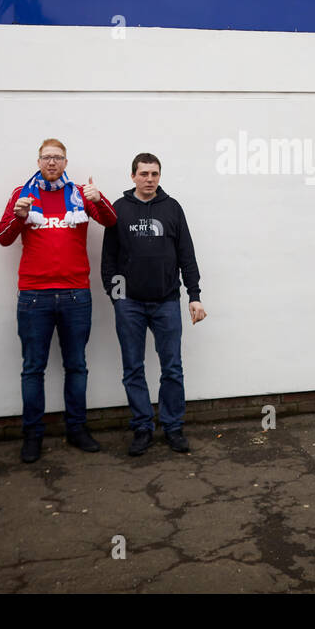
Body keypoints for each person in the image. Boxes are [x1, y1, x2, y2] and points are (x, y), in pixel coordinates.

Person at [0, 139, 116, 463]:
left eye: (57, 157)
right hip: (34, 296)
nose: (51, 162)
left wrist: (99, 198)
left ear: (65, 161)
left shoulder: (79, 192)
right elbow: (2, 237)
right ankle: (32, 436)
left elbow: (110, 220)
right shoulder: (23, 194)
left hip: (76, 294)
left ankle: (76, 429)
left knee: (76, 366)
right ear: (38, 160)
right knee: (32, 369)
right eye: (46, 157)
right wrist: (20, 216)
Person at [101, 153, 205, 455]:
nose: (149, 179)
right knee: (133, 368)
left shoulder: (172, 208)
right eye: (144, 174)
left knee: (172, 368)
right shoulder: (119, 210)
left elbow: (187, 254)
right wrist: (116, 297)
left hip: (167, 302)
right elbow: (109, 259)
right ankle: (143, 427)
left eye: (154, 174)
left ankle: (173, 427)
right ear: (133, 176)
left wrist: (194, 295)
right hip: (130, 304)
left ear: (160, 176)